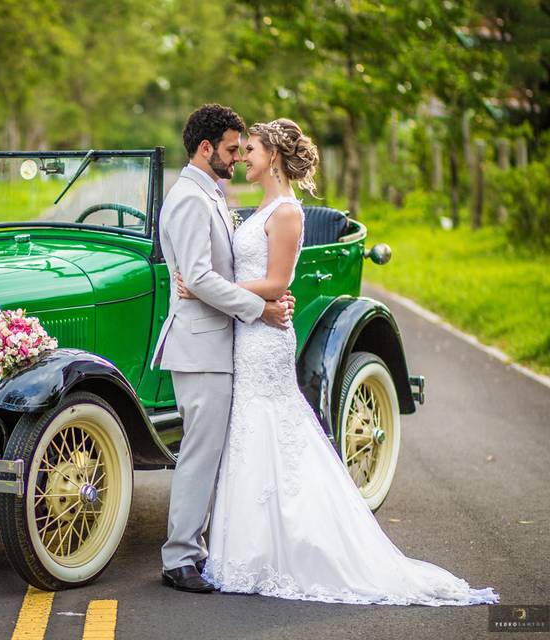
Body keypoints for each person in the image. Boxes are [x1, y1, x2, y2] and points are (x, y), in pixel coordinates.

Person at [173, 117, 500, 605]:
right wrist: (223, 292)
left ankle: (298, 546)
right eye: (239, 150)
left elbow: (279, 282)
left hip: (264, 335)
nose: (244, 158)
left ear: (274, 159)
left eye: (253, 150)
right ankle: (246, 548)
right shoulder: (255, 205)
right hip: (246, 333)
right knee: (249, 440)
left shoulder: (286, 212)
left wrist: (207, 292)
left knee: (272, 435)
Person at [151, 104, 295, 593]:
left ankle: (194, 549)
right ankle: (180, 559)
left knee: (209, 450)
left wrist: (254, 289)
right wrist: (261, 309)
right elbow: (198, 276)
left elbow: (210, 275)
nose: (237, 157)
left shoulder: (207, 192)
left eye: (242, 149)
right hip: (201, 345)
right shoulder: (191, 198)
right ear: (206, 147)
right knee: (200, 452)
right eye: (232, 148)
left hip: (215, 342)